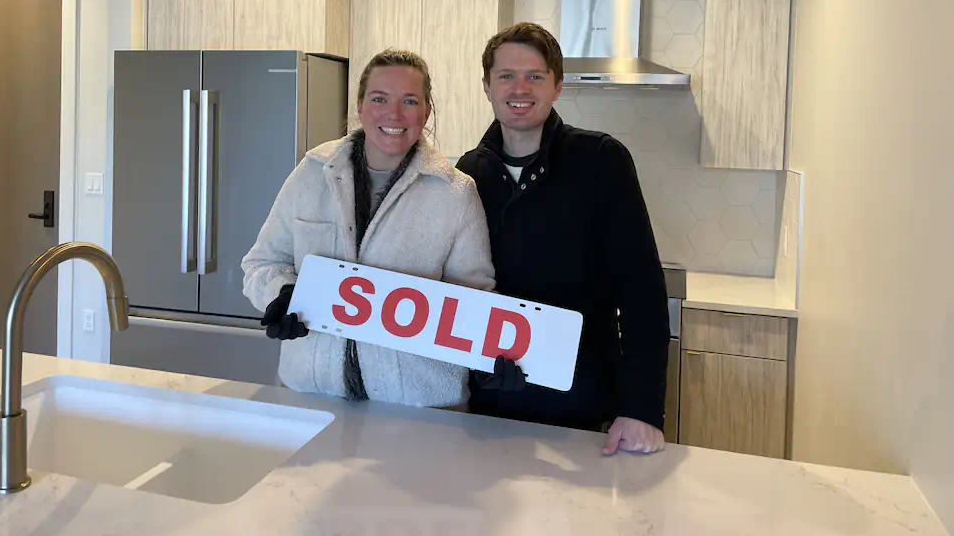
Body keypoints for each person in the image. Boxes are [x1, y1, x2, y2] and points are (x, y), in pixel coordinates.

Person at [457, 23, 671, 455]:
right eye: (506, 75)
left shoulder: (600, 160)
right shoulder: (468, 172)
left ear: (557, 86)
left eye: (535, 75)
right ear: (486, 86)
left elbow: (641, 290)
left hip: (582, 404)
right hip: (493, 400)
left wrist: (642, 408)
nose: (520, 87)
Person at [242, 49, 496, 407]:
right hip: (312, 395)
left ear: (426, 111)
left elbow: (474, 300)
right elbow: (261, 264)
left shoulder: (456, 193)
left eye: (409, 101)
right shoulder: (311, 173)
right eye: (380, 99)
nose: (393, 114)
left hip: (420, 408)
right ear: (360, 105)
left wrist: (491, 358)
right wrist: (282, 293)